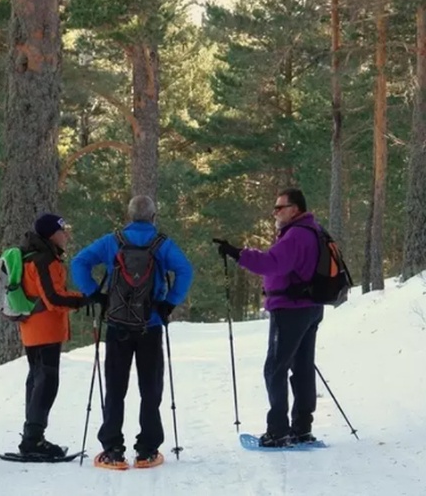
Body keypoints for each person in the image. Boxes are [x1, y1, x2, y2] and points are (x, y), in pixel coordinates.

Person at [71, 195, 194, 470]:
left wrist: (95, 295)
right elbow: (185, 270)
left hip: (118, 325)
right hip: (149, 325)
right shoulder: (162, 244)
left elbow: (79, 263)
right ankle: (147, 450)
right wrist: (169, 303)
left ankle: (112, 450)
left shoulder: (112, 241)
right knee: (150, 388)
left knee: (115, 388)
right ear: (153, 216)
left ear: (129, 216)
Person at [215, 188, 325, 448]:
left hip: (290, 308)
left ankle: (278, 431)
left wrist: (237, 253)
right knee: (302, 367)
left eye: (280, 207)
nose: (275, 212)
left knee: (275, 367)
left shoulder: (296, 235)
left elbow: (271, 264)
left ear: (295, 209)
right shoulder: (314, 231)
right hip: (310, 307)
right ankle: (301, 428)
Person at [17, 213, 91, 458]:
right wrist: (83, 298)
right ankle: (34, 441)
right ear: (51, 234)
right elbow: (54, 298)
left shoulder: (33, 256)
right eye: (62, 231)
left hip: (33, 329)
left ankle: (32, 437)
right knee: (46, 383)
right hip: (44, 329)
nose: (66, 235)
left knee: (37, 380)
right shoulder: (45, 260)